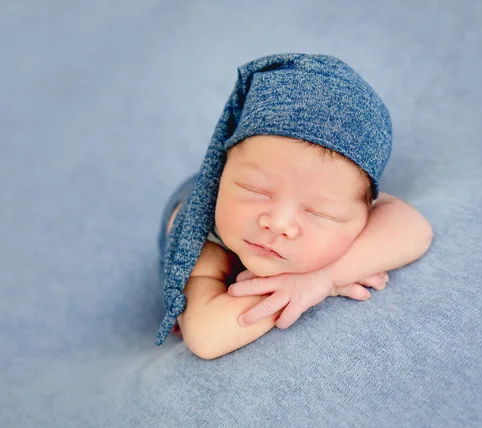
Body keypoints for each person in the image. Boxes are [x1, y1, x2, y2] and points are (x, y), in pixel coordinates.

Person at [156, 53, 433, 359]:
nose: (278, 223)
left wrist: (323, 279)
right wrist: (288, 289)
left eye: (317, 212)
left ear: (367, 211)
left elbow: (414, 229)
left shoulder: (340, 194)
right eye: (255, 190)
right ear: (222, 171)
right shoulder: (201, 234)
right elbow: (208, 336)